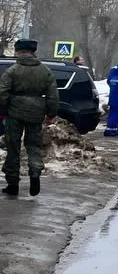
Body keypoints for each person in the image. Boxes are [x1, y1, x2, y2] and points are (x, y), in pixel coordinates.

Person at [0, 39, 60, 195]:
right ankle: (35, 173)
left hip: (14, 113)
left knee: (13, 147)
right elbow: (53, 95)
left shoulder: (12, 70)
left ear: (18, 51)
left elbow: (2, 93)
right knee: (33, 145)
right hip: (36, 113)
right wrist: (51, 113)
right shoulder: (45, 71)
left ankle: (13, 184)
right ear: (34, 52)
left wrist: (2, 110)